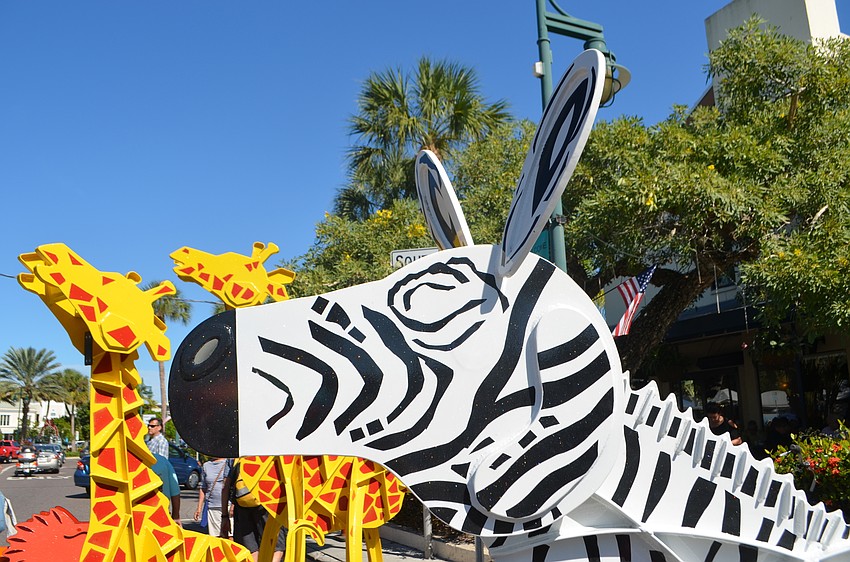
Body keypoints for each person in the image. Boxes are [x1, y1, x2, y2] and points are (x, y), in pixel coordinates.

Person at [220, 460, 286, 562]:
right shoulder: (271, 448)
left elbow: (225, 487)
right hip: (269, 501)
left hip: (242, 503)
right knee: (276, 545)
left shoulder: (235, 454)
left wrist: (225, 516)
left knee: (250, 548)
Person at [194, 457, 231, 536]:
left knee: (231, 537)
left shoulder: (229, 462)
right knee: (216, 538)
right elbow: (203, 488)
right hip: (213, 506)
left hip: (229, 506)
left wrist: (233, 507)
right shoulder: (206, 466)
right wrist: (199, 508)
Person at [151, 453, 181, 524]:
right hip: (162, 515)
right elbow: (175, 491)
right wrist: (176, 516)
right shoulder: (161, 460)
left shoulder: (125, 462)